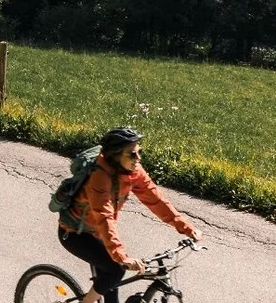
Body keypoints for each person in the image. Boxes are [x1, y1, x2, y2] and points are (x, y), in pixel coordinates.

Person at [58, 126, 201, 303]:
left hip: (99, 233)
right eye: (132, 154)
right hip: (75, 234)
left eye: (139, 152)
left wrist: (185, 226)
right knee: (116, 270)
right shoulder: (99, 178)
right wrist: (122, 257)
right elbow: (104, 217)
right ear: (116, 156)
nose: (138, 159)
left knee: (112, 285)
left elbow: (155, 200)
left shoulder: (133, 172)